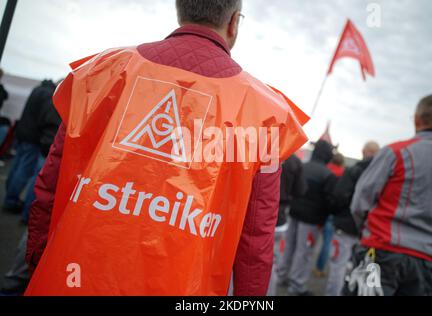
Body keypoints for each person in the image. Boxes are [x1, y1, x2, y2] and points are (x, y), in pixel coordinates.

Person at [25, 0, 308, 296]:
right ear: (234, 22)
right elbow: (255, 239)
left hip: (73, 277)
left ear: (180, 9)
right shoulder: (263, 111)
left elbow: (51, 183)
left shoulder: (104, 71)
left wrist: (37, 258)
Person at [350, 94, 432, 296]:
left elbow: (360, 202)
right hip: (426, 260)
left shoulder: (396, 152)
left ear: (416, 119)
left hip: (381, 252)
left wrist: (366, 232)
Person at [278, 140, 337, 296]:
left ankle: (281, 276)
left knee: (289, 246)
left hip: (294, 213)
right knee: (304, 252)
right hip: (312, 220)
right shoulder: (327, 175)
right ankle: (297, 285)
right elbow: (330, 201)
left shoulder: (303, 166)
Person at [325, 141, 380, 296]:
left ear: (364, 151)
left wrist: (338, 212)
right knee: (361, 271)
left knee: (338, 266)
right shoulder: (381, 174)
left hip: (345, 225)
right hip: (368, 230)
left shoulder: (353, 170)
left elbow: (339, 196)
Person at [3, 80, 56, 213]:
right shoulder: (49, 95)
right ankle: (11, 200)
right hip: (33, 138)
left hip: (22, 133)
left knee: (16, 167)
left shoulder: (37, 90)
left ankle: (9, 197)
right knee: (24, 171)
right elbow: (45, 119)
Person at [267, 154, 307, 296]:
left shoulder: (259, 149)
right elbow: (300, 190)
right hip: (278, 216)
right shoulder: (293, 160)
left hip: (259, 214)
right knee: (271, 261)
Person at [315, 153, 346, 278]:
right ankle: (320, 268)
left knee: (312, 240)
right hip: (332, 213)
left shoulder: (326, 170)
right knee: (327, 242)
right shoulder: (343, 174)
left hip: (319, 210)